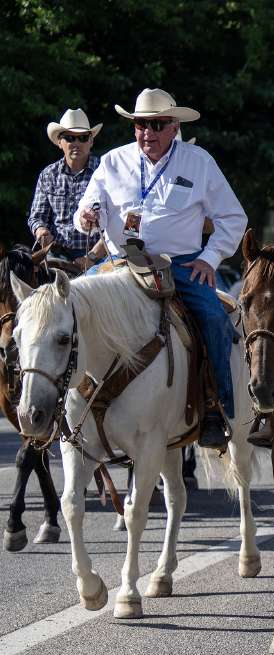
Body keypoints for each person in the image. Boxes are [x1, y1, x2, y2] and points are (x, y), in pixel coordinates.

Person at [75, 88, 246, 449]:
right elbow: (86, 210)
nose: (147, 133)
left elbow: (233, 218)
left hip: (178, 266)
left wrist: (209, 258)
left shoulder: (199, 162)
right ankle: (68, 401)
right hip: (119, 264)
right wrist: (87, 216)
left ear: (173, 127)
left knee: (214, 319)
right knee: (69, 308)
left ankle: (215, 406)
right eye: (140, 125)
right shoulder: (112, 162)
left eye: (157, 125)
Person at [28, 109, 108, 269]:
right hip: (56, 254)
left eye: (83, 138)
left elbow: (117, 222)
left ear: (91, 141)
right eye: (70, 138)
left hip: (97, 255)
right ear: (60, 142)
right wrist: (41, 231)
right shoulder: (48, 174)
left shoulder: (105, 172)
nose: (76, 143)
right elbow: (37, 217)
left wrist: (91, 256)